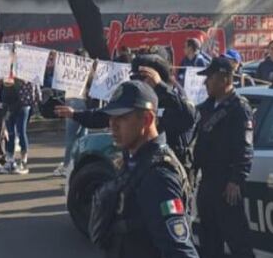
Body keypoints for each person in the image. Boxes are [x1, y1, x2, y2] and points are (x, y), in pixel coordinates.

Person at [89, 80, 202, 258]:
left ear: (148, 119)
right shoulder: (135, 159)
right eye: (111, 117)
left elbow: (182, 255)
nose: (113, 125)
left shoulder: (158, 174)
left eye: (122, 117)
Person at [58, 54, 197, 174]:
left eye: (140, 77)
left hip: (169, 167)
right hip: (140, 167)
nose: (135, 82)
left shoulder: (175, 98)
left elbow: (190, 117)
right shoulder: (137, 100)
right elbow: (104, 116)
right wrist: (76, 114)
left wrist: (160, 86)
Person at [193, 56, 255, 258]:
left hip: (226, 182)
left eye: (210, 78)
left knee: (238, 243)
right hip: (208, 181)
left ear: (225, 79)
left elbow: (245, 148)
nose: (206, 83)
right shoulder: (208, 107)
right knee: (209, 240)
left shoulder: (239, 108)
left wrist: (236, 179)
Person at [54, 48, 94, 177]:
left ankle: (67, 166)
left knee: (71, 137)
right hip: (83, 102)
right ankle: (80, 164)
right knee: (83, 137)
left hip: (73, 101)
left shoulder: (72, 69)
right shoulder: (89, 71)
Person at [0, 74, 39, 174]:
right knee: (10, 133)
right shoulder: (7, 69)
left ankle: (23, 162)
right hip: (9, 104)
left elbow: (32, 89)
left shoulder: (26, 71)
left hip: (22, 104)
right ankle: (10, 160)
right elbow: (3, 87)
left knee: (21, 132)